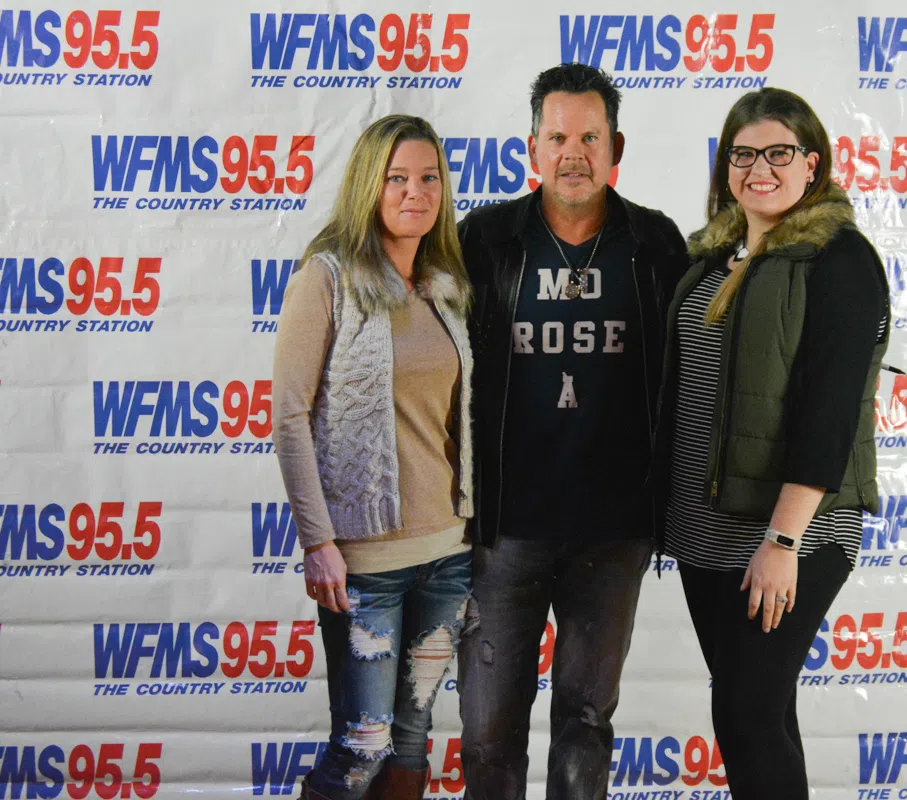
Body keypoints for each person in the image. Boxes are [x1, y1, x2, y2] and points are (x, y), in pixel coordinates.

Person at [455, 63, 689, 800]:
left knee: (586, 723)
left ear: (616, 147)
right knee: (488, 730)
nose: (573, 154)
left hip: (613, 534)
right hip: (503, 530)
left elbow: (690, 374)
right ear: (532, 149)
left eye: (590, 137)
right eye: (557, 138)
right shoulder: (485, 239)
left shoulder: (654, 243)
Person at [655, 88, 891, 798]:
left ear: (812, 163)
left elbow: (829, 412)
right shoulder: (711, 256)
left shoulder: (839, 260)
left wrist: (783, 541)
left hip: (791, 532)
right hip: (705, 528)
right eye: (744, 154)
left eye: (778, 153)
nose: (760, 169)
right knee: (759, 712)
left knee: (747, 714)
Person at [272, 114, 475, 800]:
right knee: (362, 745)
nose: (415, 192)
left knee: (412, 743)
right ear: (369, 185)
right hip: (365, 564)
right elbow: (288, 414)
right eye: (396, 178)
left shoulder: (444, 286)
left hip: (448, 556)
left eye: (429, 178)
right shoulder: (327, 278)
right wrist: (317, 541)